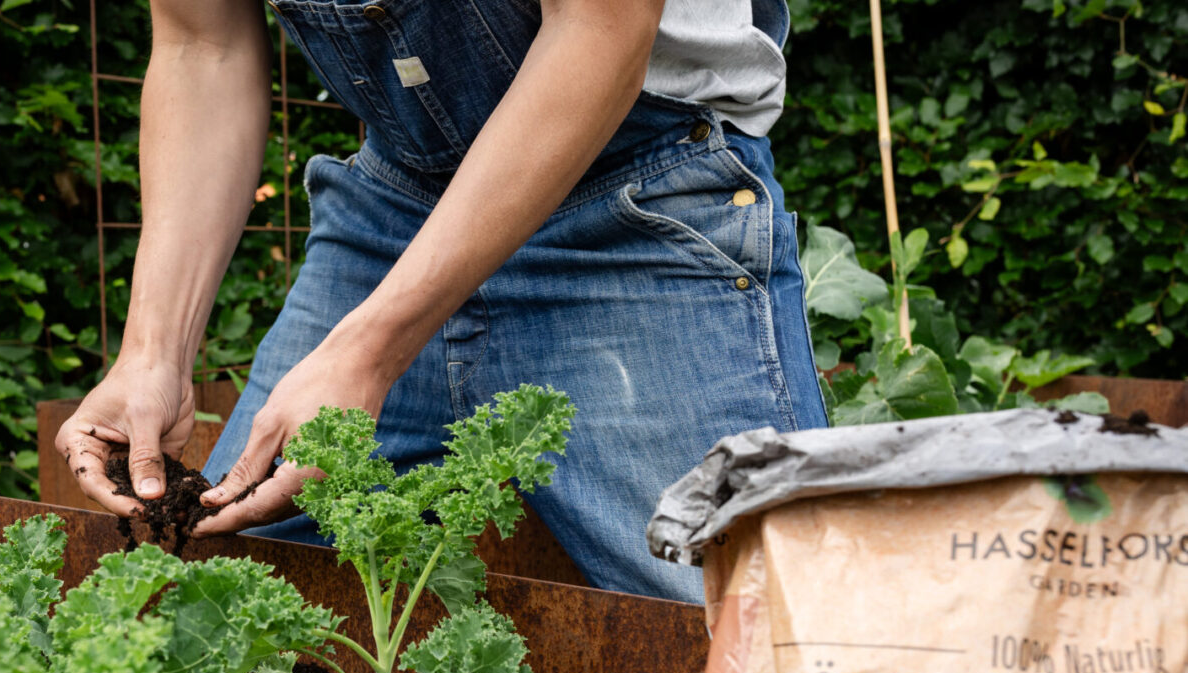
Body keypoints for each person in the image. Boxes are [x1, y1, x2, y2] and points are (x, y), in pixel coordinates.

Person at [55, 0, 825, 603]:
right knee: (218, 602)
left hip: (632, 201)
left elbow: (601, 27)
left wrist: (366, 351)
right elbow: (202, 47)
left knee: (751, 642)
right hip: (397, 206)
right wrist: (152, 354)